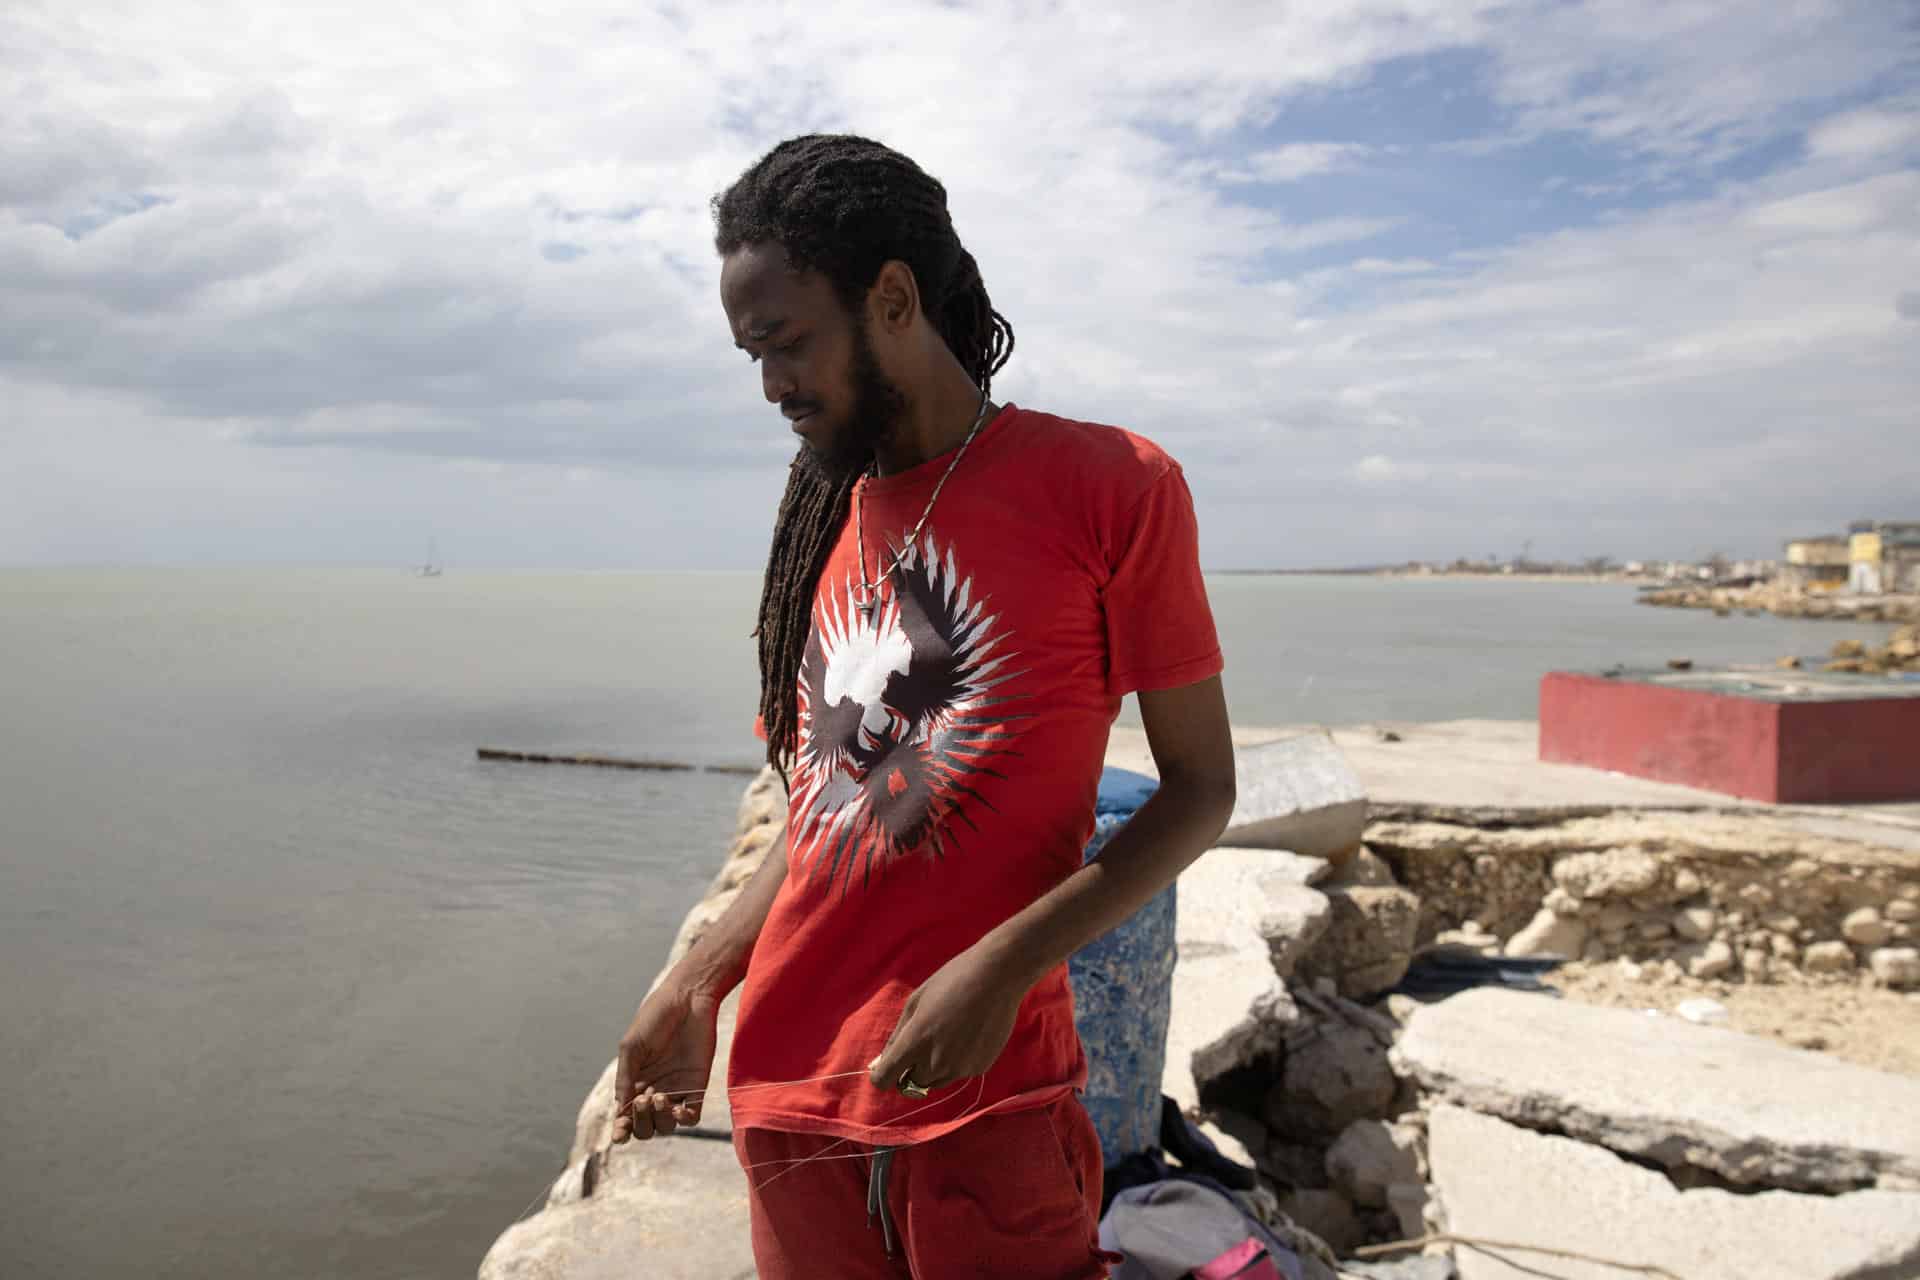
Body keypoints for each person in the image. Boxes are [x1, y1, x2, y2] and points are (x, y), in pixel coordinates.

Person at [611, 134, 1236, 1280]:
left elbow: (1202, 790)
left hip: (985, 1100)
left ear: (892, 298)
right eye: (750, 353)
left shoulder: (1110, 487)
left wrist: (1002, 967)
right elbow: (821, 811)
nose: (771, 385)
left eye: (787, 342)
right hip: (791, 1101)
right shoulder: (821, 526)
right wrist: (697, 980)